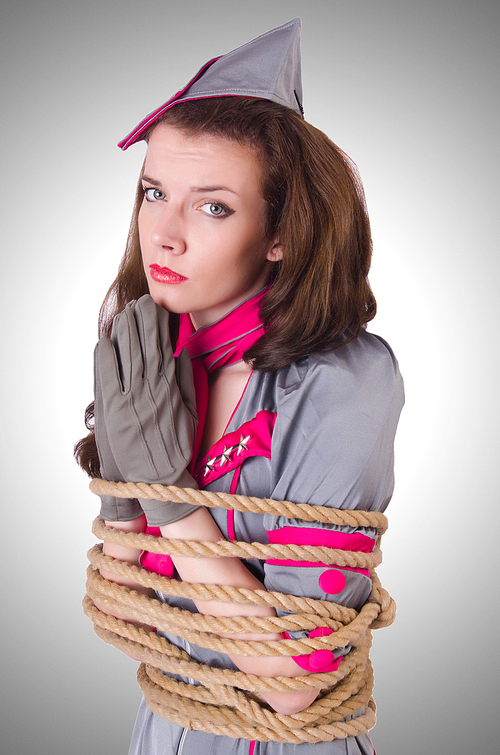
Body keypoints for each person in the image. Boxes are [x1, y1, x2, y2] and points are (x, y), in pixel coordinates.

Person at [76, 19, 404, 755]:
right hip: (163, 734)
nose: (165, 233)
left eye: (213, 205)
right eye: (155, 192)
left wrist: (170, 494)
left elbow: (292, 683)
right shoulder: (159, 361)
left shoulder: (343, 384)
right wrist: (128, 481)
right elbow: (126, 620)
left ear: (281, 230)